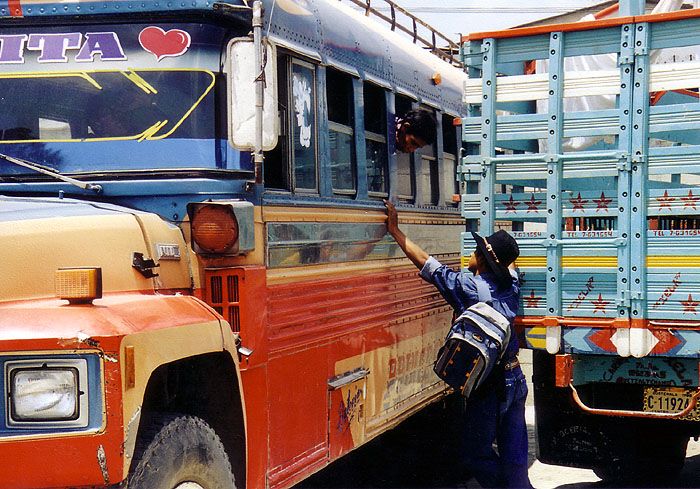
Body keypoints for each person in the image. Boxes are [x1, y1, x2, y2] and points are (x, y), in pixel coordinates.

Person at [384, 199, 532, 489]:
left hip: (490, 387)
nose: (469, 256)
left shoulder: (468, 288)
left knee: (476, 454)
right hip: (516, 380)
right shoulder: (511, 286)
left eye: (476, 252)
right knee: (515, 458)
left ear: (486, 261)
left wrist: (395, 230)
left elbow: (428, 265)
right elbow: (509, 263)